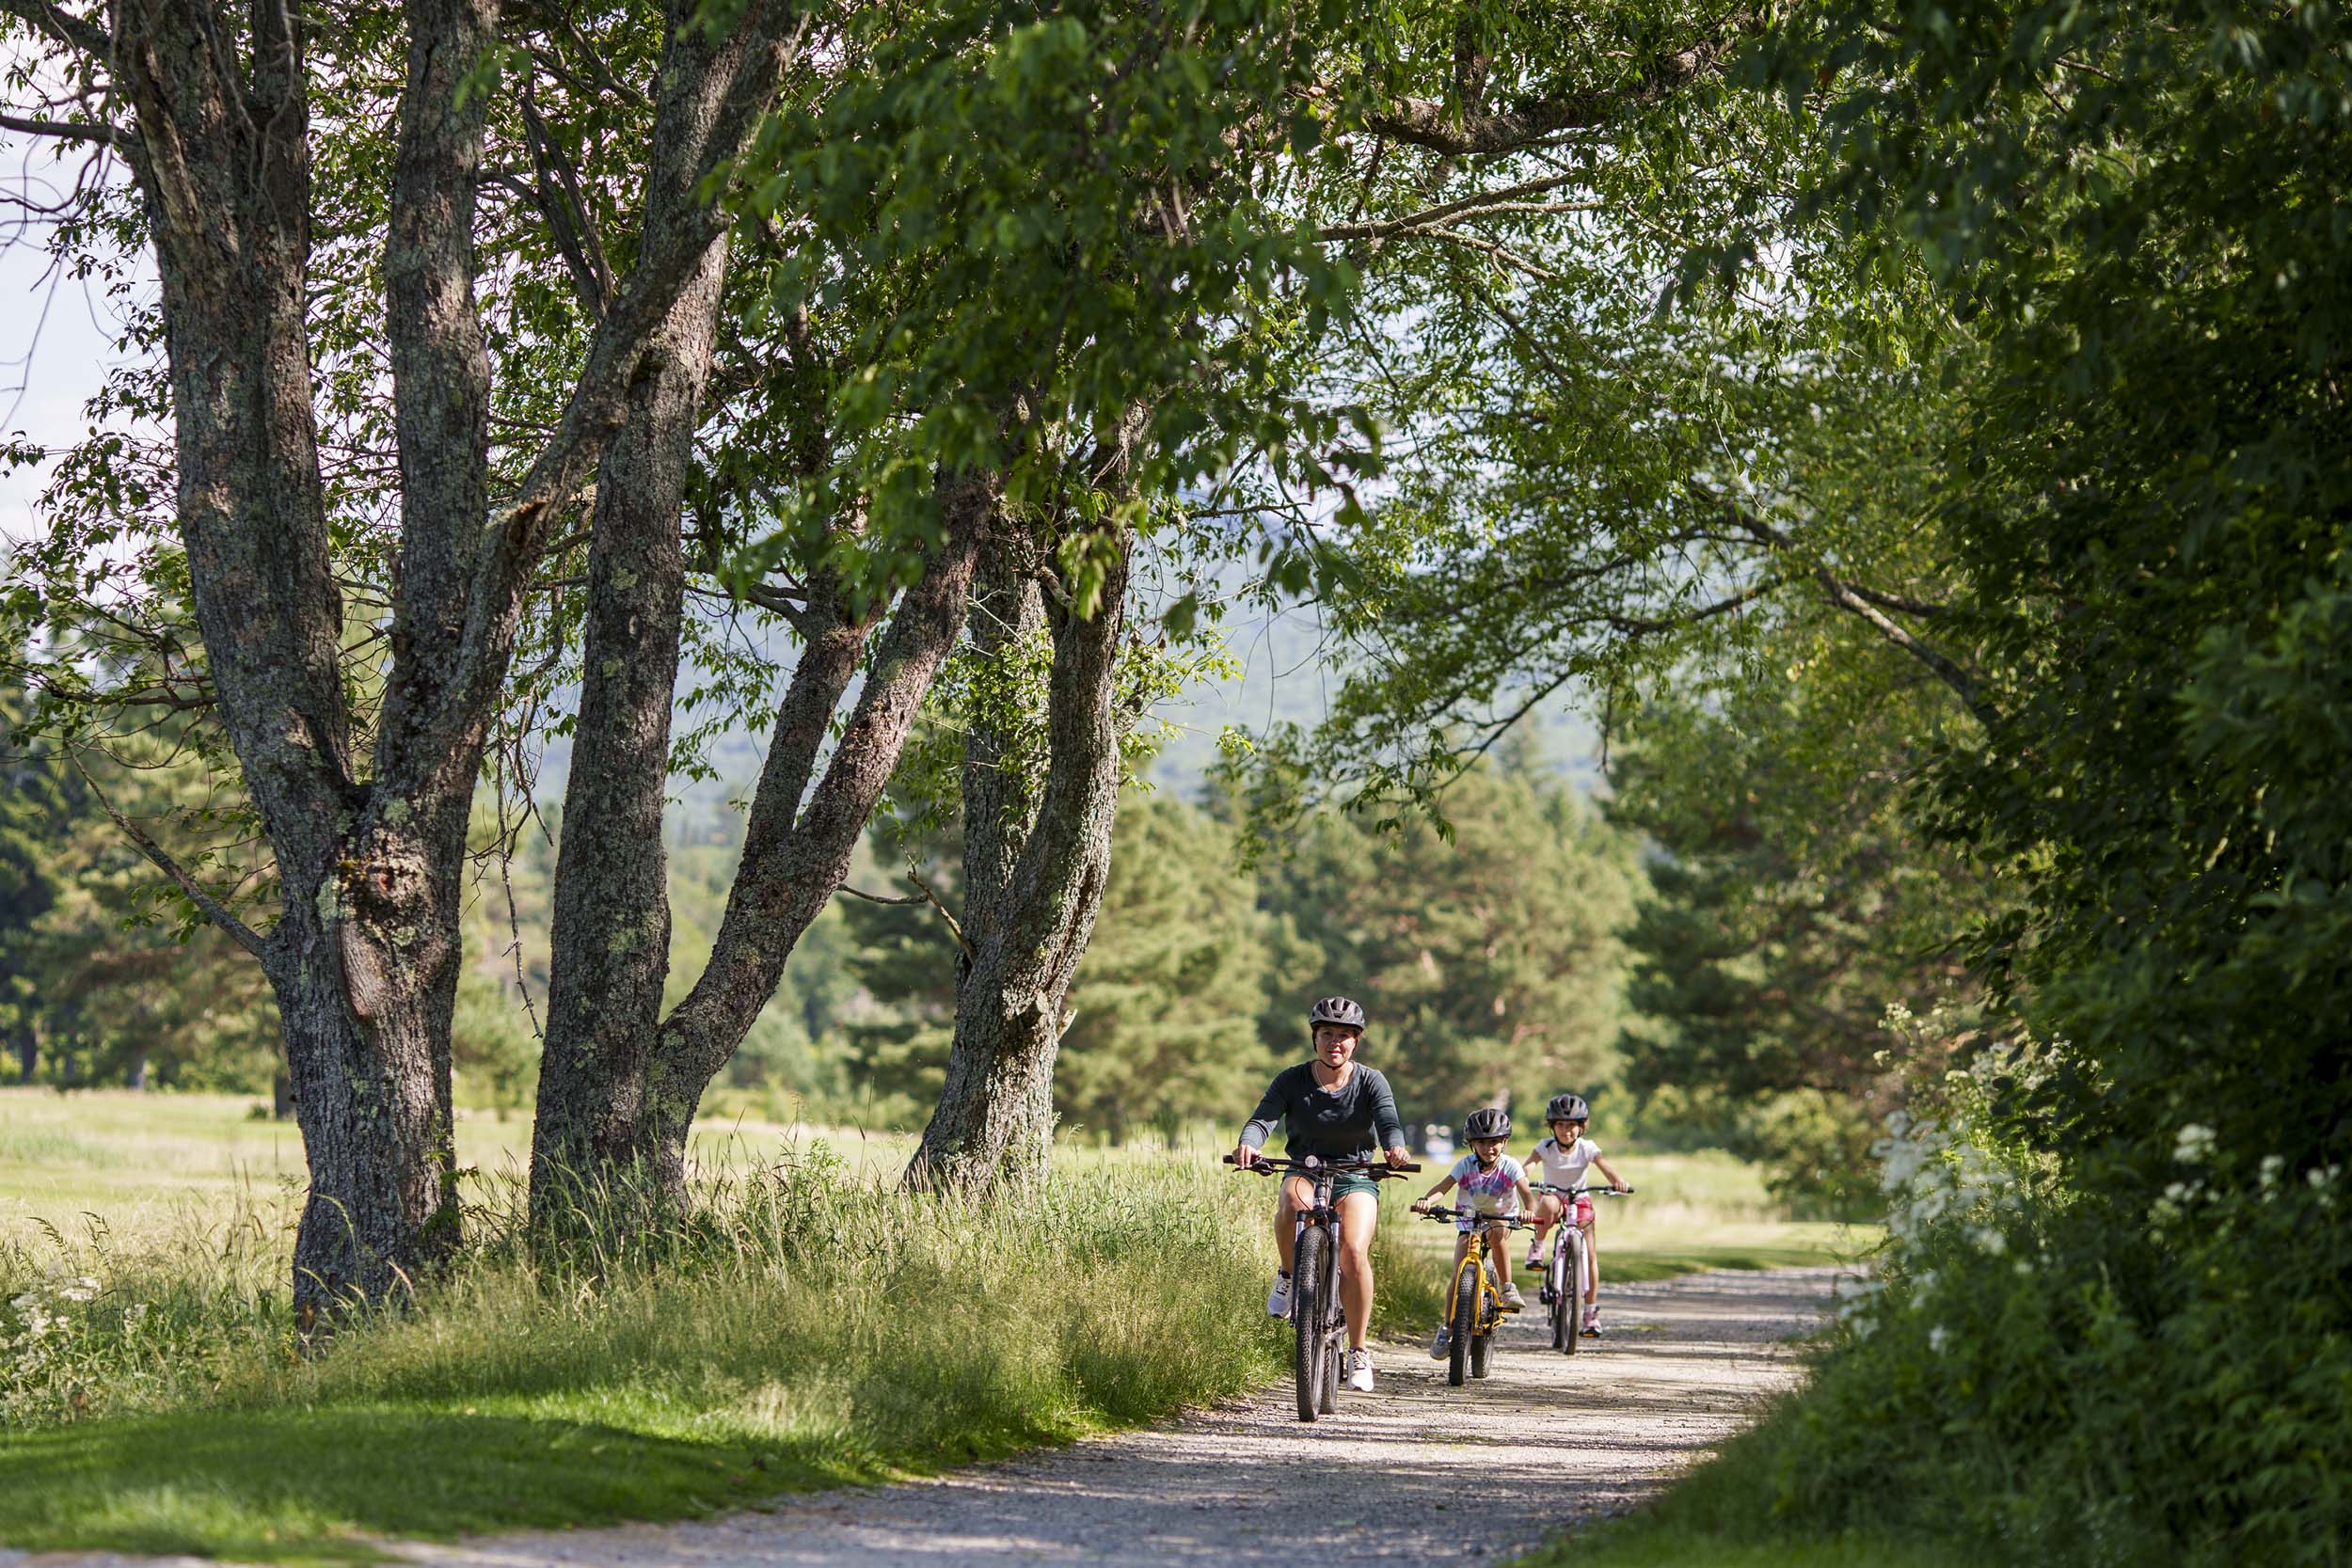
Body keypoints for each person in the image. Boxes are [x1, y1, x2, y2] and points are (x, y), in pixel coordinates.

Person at [1232, 996, 1413, 1395]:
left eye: (1345, 1035)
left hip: (1356, 1174)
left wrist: (1395, 1149)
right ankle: (1288, 1274)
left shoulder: (1371, 1081)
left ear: (1356, 1041)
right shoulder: (1291, 1079)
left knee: (1352, 1250)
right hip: (1306, 1168)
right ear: (1314, 1037)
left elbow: (1388, 1122)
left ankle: (1360, 1350)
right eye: (1327, 1033)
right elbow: (1263, 1118)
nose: (1336, 1041)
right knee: (1291, 1203)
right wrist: (1249, 1143)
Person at [1410, 1106, 1535, 1360]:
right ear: (1471, 1144)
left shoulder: (1510, 1166)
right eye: (1481, 1142)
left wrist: (1529, 1211)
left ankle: (1508, 1288)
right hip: (1468, 1223)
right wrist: (1426, 1199)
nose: (1488, 1148)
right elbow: (1443, 1187)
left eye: (1494, 1142)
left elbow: (1527, 1196)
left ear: (1504, 1142)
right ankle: (1447, 1327)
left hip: (1500, 1219)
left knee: (1497, 1234)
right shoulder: (1465, 1164)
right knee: (1457, 1275)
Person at [1522, 1092, 1630, 1338]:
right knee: (1548, 1204)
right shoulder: (1545, 1147)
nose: (1566, 1130)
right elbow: (1526, 1168)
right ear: (1552, 1126)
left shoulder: (1588, 1148)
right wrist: (1519, 1178)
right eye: (1560, 1124)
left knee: (1590, 1255)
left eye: (1571, 1125)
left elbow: (1606, 1168)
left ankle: (1590, 1313)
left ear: (1581, 1127)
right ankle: (1537, 1247)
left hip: (1579, 1199)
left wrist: (1618, 1182)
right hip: (1553, 1197)